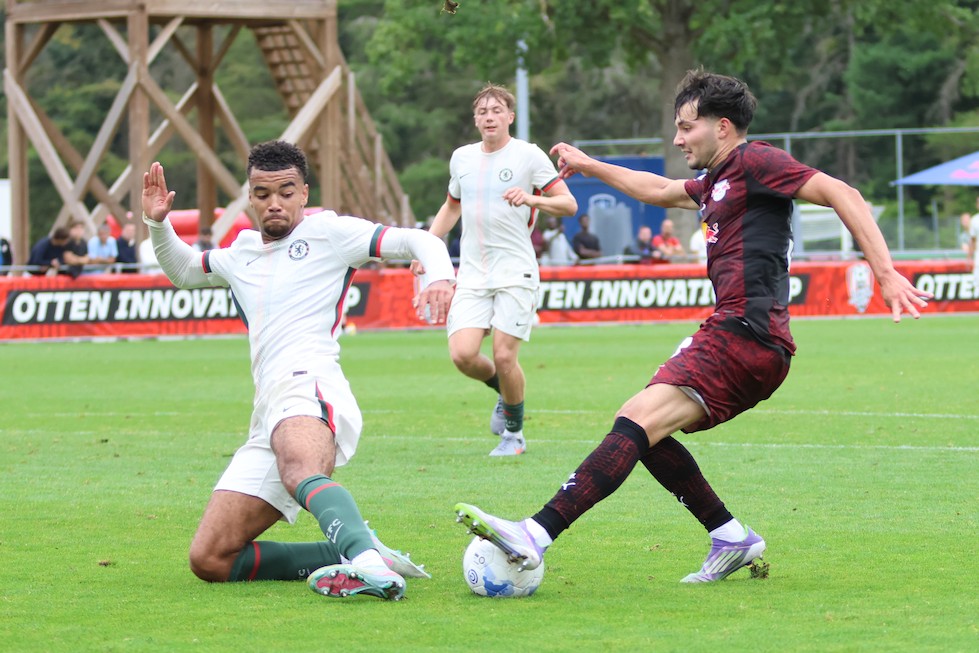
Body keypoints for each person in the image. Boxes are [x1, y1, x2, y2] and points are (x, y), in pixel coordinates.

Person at [453, 69, 931, 585]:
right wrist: (590, 166)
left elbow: (846, 194)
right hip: (740, 334)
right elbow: (657, 189)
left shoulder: (755, 160)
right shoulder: (713, 181)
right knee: (644, 432)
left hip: (747, 333)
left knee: (636, 420)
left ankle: (534, 534)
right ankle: (729, 536)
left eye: (686, 128)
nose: (679, 139)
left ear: (722, 127)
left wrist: (885, 275)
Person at [141, 140, 456, 601]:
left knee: (301, 466)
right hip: (267, 410)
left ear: (304, 193)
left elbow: (419, 238)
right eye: (263, 193)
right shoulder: (241, 252)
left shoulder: (331, 233)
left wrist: (440, 273)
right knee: (211, 558)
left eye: (286, 191)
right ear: (250, 197)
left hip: (310, 384)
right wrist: (157, 222)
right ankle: (358, 547)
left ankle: (368, 568)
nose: (275, 203)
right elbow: (185, 269)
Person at [418, 83, 577, 456]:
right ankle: (504, 395)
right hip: (472, 274)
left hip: (515, 271)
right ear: (476, 120)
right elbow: (451, 208)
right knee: (463, 355)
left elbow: (567, 205)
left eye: (496, 111)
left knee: (505, 356)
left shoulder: (528, 156)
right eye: (482, 112)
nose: (489, 117)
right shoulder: (462, 158)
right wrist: (426, 245)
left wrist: (532, 197)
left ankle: (514, 435)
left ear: (510, 116)